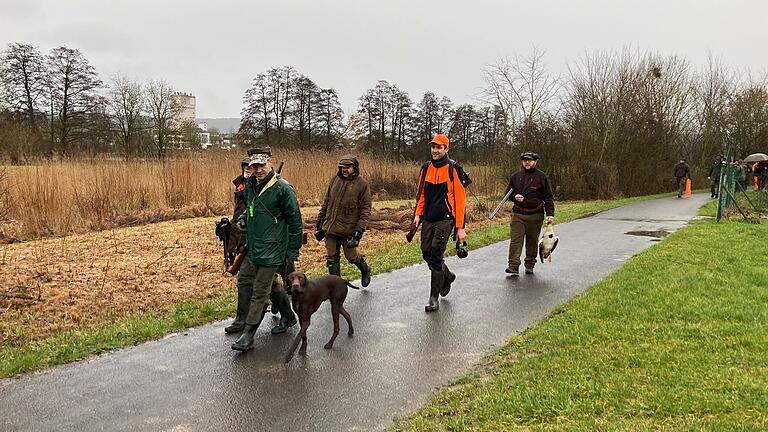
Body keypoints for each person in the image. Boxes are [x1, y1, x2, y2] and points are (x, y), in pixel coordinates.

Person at [231, 149, 303, 352]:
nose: (258, 170)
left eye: (262, 165)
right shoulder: (251, 186)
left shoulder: (282, 188)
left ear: (269, 163)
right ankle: (288, 316)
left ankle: (248, 335)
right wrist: (244, 218)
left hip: (273, 250)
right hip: (254, 248)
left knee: (259, 292)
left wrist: (292, 252)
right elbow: (251, 207)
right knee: (247, 280)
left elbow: (296, 222)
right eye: (254, 166)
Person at [412, 134, 467, 312]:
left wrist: (460, 228)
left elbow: (460, 201)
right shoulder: (426, 168)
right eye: (433, 147)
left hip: (446, 219)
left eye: (439, 147)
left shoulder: (453, 169)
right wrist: (418, 214)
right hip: (428, 218)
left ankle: (433, 298)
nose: (435, 150)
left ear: (446, 149)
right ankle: (448, 275)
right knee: (426, 253)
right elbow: (421, 194)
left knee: (435, 254)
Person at [314, 155, 373, 287]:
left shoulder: (362, 185)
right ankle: (336, 287)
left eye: (347, 167)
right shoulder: (334, 180)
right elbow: (326, 202)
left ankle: (365, 269)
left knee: (351, 257)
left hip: (349, 230)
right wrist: (319, 222)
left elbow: (366, 210)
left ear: (354, 168)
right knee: (331, 257)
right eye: (342, 167)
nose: (344, 170)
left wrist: (359, 229)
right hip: (330, 227)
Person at [504, 151, 555, 276]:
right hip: (518, 215)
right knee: (516, 241)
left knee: (532, 241)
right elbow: (508, 193)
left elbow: (548, 197)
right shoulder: (515, 176)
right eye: (525, 160)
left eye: (529, 160)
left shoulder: (542, 177)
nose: (527, 162)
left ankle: (530, 264)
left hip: (535, 215)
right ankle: (513, 266)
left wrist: (550, 213)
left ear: (535, 162)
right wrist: (515, 196)